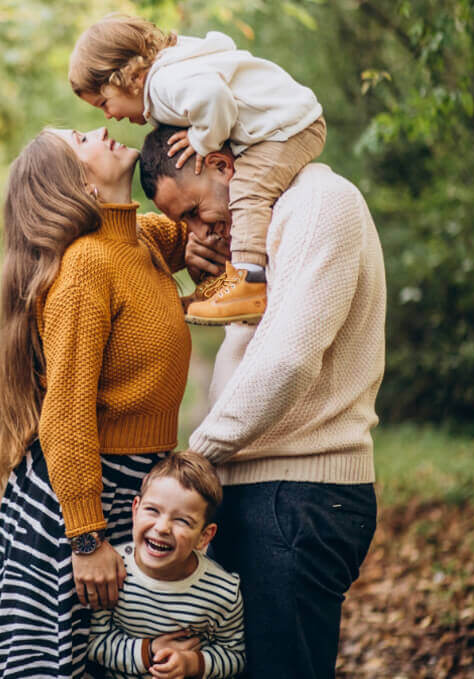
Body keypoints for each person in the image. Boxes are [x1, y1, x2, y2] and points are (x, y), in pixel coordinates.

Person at [139, 123, 385, 678]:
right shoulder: (270, 227)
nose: (200, 228)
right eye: (183, 223)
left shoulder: (320, 204)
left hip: (297, 496)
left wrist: (195, 459)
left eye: (196, 210)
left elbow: (289, 362)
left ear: (221, 165)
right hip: (262, 492)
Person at [0, 127, 202, 679]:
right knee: (61, 667)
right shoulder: (86, 266)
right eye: (81, 138)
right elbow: (64, 415)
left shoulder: (140, 241)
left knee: (133, 664)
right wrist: (86, 538)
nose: (103, 129)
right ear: (77, 183)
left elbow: (204, 226)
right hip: (78, 504)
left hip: (133, 489)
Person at [68, 14, 326, 326]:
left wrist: (202, 140)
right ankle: (224, 287)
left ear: (126, 78)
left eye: (103, 103)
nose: (108, 116)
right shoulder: (170, 78)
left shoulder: (164, 84)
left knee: (248, 194)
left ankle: (248, 286)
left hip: (287, 126)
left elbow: (214, 96)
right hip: (283, 124)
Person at [86, 452, 244, 679]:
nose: (162, 528)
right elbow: (94, 643)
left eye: (182, 520)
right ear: (135, 509)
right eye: (153, 510)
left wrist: (192, 664)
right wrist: (148, 651)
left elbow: (234, 655)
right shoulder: (113, 572)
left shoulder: (223, 592)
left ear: (204, 536)